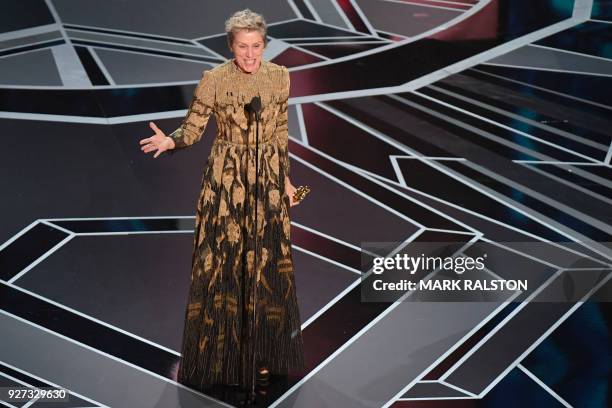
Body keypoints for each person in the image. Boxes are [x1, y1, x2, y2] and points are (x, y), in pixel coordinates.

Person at [138, 8, 305, 395]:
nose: (250, 55)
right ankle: (223, 355)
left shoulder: (280, 77)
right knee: (225, 266)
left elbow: (280, 132)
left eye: (257, 46)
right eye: (243, 47)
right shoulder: (214, 79)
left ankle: (261, 354)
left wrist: (288, 182)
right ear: (231, 46)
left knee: (264, 265)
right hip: (226, 184)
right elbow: (194, 128)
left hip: (267, 180)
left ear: (265, 44)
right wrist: (171, 140)